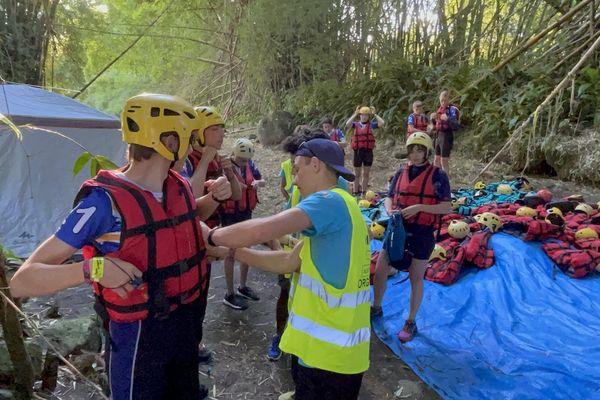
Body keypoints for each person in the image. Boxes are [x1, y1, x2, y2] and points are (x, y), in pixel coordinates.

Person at [9, 94, 231, 399]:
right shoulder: (102, 203)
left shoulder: (176, 184)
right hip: (137, 335)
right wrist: (95, 268)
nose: (193, 145)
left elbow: (183, 225)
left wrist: (212, 219)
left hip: (184, 325)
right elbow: (23, 280)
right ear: (168, 141)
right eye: (188, 137)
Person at [208, 138, 371, 400]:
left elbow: (265, 228)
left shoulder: (328, 201)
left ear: (316, 165)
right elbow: (288, 262)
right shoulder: (343, 206)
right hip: (322, 353)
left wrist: (211, 237)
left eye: (297, 168)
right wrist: (231, 251)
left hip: (329, 361)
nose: (293, 180)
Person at [372, 131, 451, 342]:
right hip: (397, 228)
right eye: (412, 150)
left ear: (426, 152)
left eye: (419, 150)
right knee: (380, 269)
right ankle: (376, 307)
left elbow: (446, 206)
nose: (415, 154)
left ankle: (411, 321)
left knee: (416, 277)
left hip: (422, 232)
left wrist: (419, 207)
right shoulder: (400, 173)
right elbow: (389, 198)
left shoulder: (438, 175)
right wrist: (389, 211)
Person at [220, 138, 265, 309]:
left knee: (246, 250)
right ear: (234, 154)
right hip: (230, 215)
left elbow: (262, 180)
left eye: (246, 160)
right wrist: (235, 184)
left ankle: (242, 287)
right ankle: (229, 294)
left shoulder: (250, 165)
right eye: (241, 159)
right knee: (230, 253)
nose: (244, 162)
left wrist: (257, 183)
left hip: (246, 212)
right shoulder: (225, 167)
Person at [186, 106, 242, 228]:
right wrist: (205, 160)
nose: (222, 134)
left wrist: (230, 175)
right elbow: (190, 201)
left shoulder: (216, 159)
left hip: (215, 227)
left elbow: (237, 196)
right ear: (198, 133)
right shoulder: (187, 160)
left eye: (222, 129)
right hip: (198, 230)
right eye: (215, 129)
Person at [345, 105, 385, 196]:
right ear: (360, 115)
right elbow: (347, 124)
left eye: (366, 115)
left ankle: (364, 192)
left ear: (368, 116)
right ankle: (355, 192)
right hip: (358, 152)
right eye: (362, 115)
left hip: (368, 152)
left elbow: (382, 123)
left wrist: (375, 114)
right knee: (357, 174)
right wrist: (355, 114)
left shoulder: (371, 125)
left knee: (366, 174)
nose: (364, 116)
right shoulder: (355, 124)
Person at [434, 91, 460, 175]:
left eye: (445, 100)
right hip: (439, 135)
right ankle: (435, 178)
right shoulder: (440, 109)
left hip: (447, 135)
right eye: (442, 101)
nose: (443, 102)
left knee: (443, 160)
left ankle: (445, 180)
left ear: (449, 99)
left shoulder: (452, 110)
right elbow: (437, 123)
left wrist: (447, 119)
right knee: (436, 159)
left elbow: (456, 125)